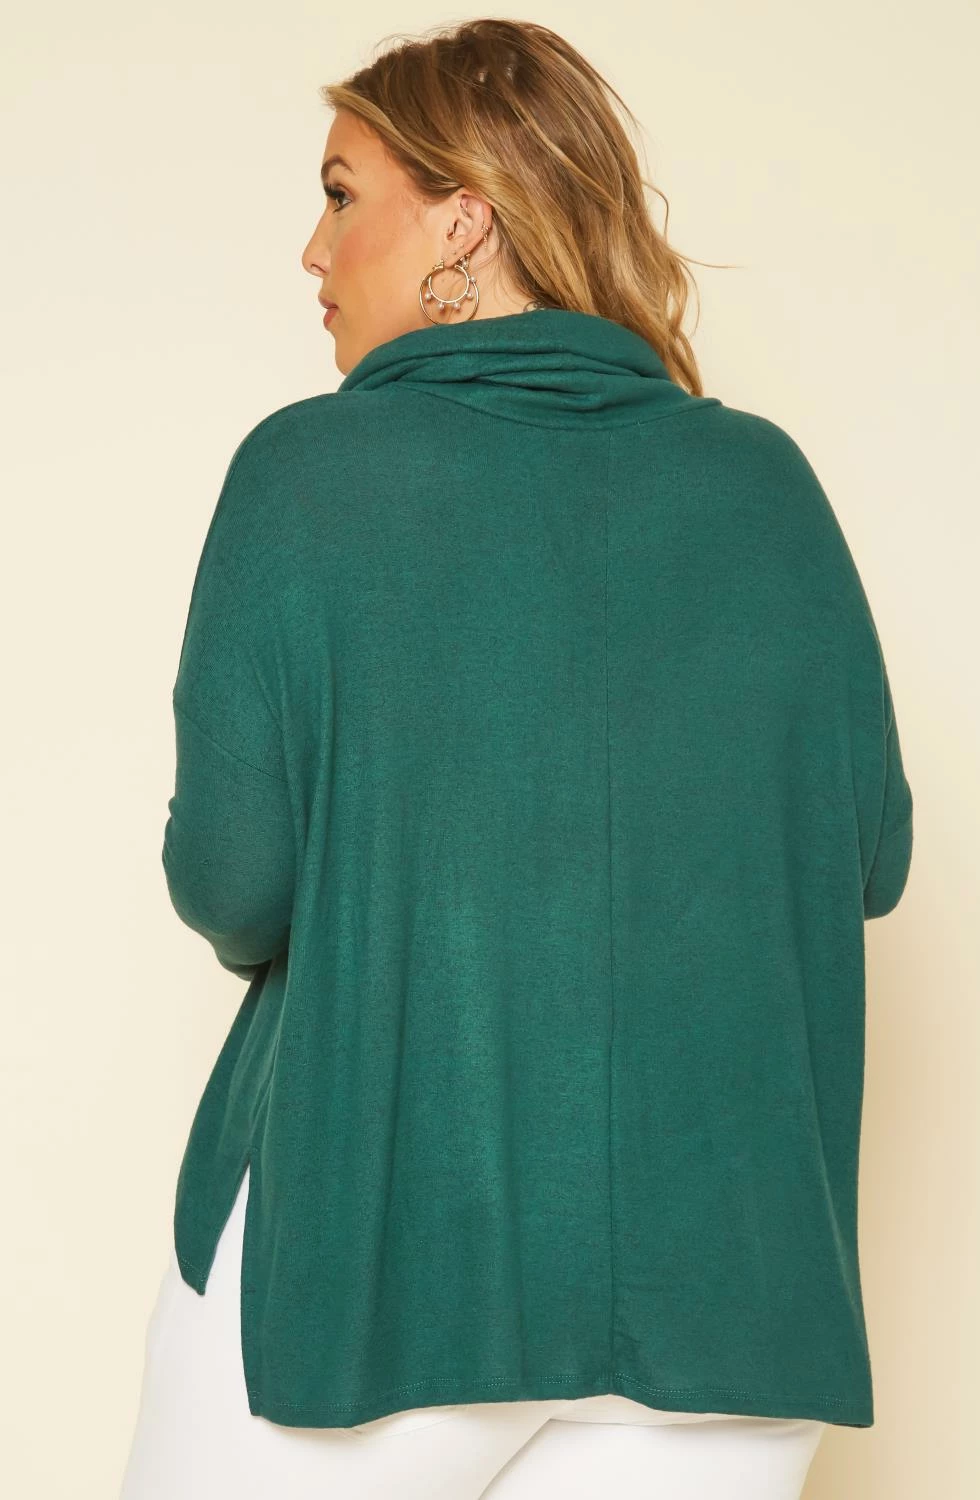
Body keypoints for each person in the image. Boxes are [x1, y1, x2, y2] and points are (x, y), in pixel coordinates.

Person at [120, 18, 913, 1500]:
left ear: (463, 222)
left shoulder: (308, 470)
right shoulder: (767, 487)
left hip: (376, 1264)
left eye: (342, 193)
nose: (311, 248)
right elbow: (868, 858)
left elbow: (234, 880)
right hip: (730, 1290)